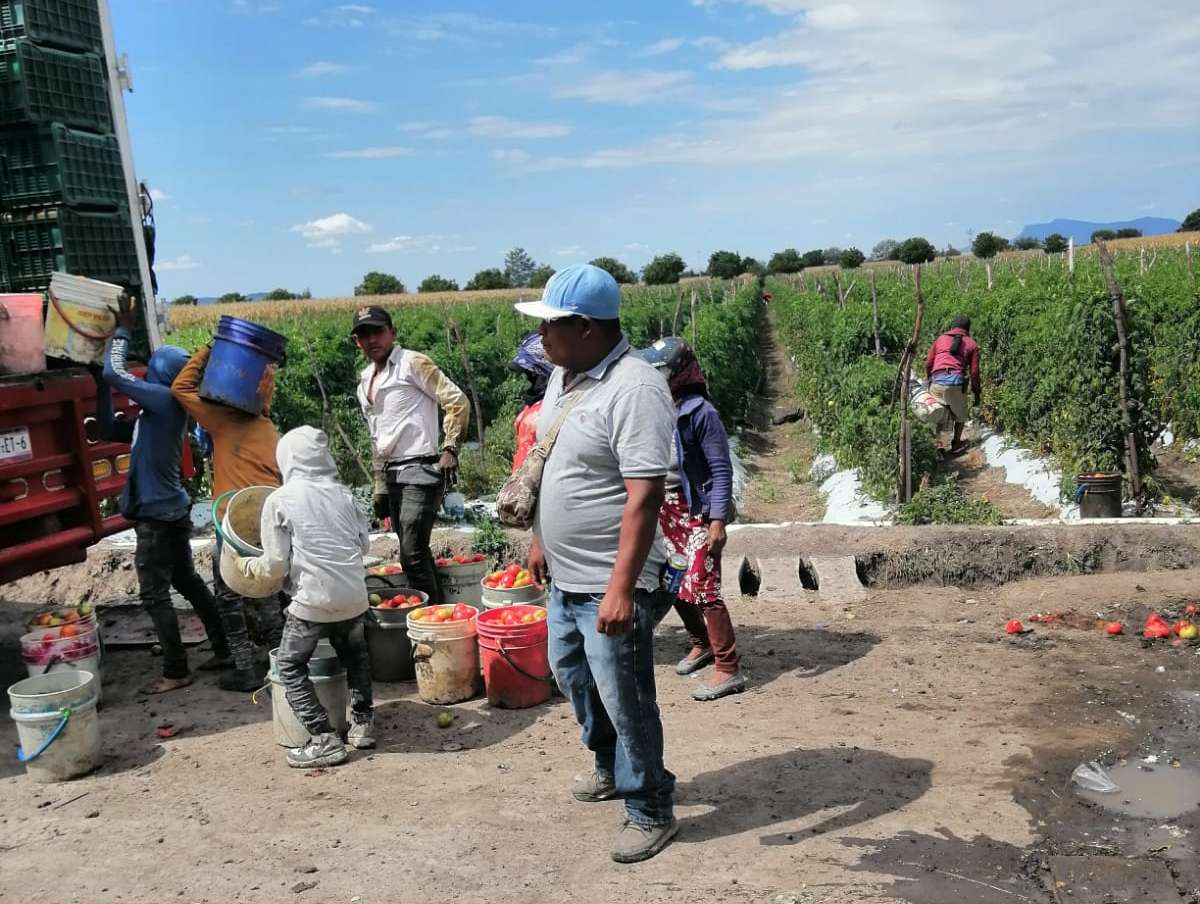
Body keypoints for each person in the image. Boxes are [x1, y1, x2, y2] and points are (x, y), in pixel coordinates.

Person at [516, 263, 678, 864]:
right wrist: (541, 540)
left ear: (585, 327)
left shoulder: (634, 388)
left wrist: (622, 589)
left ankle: (651, 808)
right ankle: (609, 767)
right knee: (574, 678)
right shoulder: (568, 377)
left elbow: (644, 496)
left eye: (549, 327)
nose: (541, 340)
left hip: (613, 582)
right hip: (567, 575)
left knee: (626, 695)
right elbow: (555, 462)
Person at [92, 295, 228, 693]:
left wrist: (121, 331)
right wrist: (97, 386)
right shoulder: (153, 415)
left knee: (155, 594)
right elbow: (105, 428)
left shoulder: (166, 401)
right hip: (169, 510)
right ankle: (221, 648)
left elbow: (118, 375)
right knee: (186, 581)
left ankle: (175, 669)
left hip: (157, 515)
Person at [234, 426, 375, 768]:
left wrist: (246, 566)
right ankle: (361, 725)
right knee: (354, 655)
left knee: (289, 664)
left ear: (287, 459)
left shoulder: (280, 500)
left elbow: (274, 565)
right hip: (355, 596)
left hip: (312, 601)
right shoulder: (344, 495)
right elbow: (364, 545)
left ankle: (324, 738)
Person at [172, 341, 283, 692]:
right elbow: (263, 399)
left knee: (228, 593)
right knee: (266, 588)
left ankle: (245, 667)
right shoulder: (266, 426)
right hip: (267, 516)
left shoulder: (221, 421)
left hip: (233, 521)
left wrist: (208, 349)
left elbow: (180, 387)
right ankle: (283, 662)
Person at [638, 337, 744, 701]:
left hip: (696, 510)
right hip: (666, 510)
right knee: (676, 580)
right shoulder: (658, 407)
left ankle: (728, 668)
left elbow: (719, 468)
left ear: (681, 373)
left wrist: (717, 521)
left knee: (704, 585)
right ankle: (702, 643)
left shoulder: (701, 412)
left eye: (662, 372)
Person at [351, 305, 469, 602]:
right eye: (364, 335)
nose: (372, 340)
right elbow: (376, 436)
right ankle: (436, 614)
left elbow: (457, 401)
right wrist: (379, 484)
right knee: (413, 551)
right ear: (356, 342)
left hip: (421, 468)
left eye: (378, 331)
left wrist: (450, 447)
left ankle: (433, 622)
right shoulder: (366, 380)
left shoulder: (411, 363)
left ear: (392, 332)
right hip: (392, 472)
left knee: (412, 553)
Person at [925, 315, 981, 454]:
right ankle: (956, 444)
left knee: (939, 415)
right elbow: (974, 372)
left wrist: (930, 379)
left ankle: (939, 446)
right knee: (961, 415)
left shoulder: (940, 339)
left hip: (936, 383)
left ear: (952, 327)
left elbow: (928, 363)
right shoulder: (971, 344)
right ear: (968, 329)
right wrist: (976, 391)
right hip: (955, 384)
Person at [508, 331, 553, 472]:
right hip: (521, 482)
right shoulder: (533, 406)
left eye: (532, 373)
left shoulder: (555, 408)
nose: (529, 376)